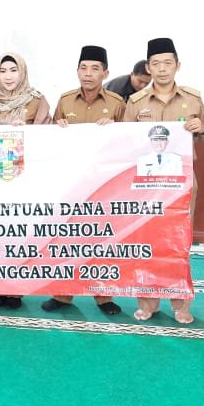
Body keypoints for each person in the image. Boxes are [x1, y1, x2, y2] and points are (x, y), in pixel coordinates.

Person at [121, 37, 204, 324]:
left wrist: (200, 127)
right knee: (146, 242)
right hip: (146, 185)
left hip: (182, 183)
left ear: (177, 65)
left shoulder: (192, 98)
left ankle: (181, 304)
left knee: (179, 243)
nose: (162, 69)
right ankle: (148, 303)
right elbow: (125, 142)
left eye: (167, 63)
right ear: (148, 67)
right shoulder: (135, 103)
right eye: (155, 64)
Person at [44, 44, 125, 316]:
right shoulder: (65, 101)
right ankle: (63, 295)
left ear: (105, 72)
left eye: (94, 69)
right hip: (71, 184)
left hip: (104, 185)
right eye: (83, 68)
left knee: (101, 239)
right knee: (66, 239)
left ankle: (104, 297)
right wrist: (57, 130)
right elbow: (52, 143)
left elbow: (128, 143)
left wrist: (113, 131)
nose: (88, 74)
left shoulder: (117, 103)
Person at [0, 51, 53, 309]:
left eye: (13, 70)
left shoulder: (37, 101)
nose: (8, 76)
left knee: (20, 234)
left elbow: (49, 135)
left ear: (23, 72)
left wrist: (29, 131)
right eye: (3, 71)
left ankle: (16, 291)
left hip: (24, 180)